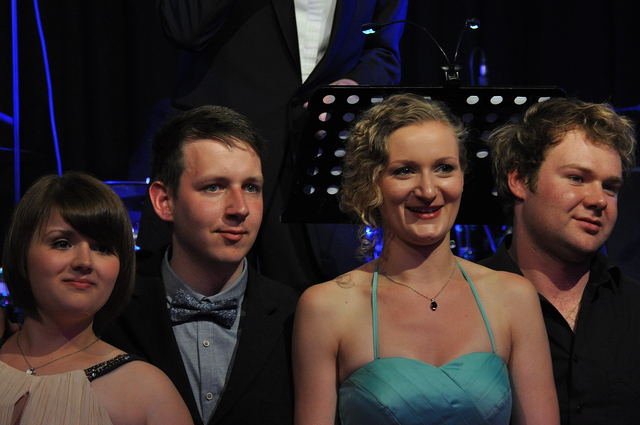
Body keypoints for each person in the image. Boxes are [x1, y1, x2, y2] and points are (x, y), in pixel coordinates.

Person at [292, 93, 559, 425]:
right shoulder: (326, 307)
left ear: (462, 177)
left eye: (444, 168)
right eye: (405, 171)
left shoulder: (513, 297)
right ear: (371, 183)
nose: (429, 191)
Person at [136, 0, 409, 289]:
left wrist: (352, 85)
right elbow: (184, 28)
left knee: (314, 308)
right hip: (217, 153)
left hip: (315, 166)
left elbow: (384, 55)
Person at [101, 105, 299, 425]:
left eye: (251, 187)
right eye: (214, 187)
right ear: (164, 201)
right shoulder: (109, 305)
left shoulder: (295, 315)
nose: (240, 208)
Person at [481, 97, 640, 424]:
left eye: (610, 187)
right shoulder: (466, 300)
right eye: (577, 178)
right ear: (519, 180)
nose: (598, 200)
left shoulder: (635, 308)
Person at [0, 172, 192, 425]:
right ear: (21, 253)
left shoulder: (148, 393)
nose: (84, 262)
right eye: (62, 243)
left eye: (103, 248)